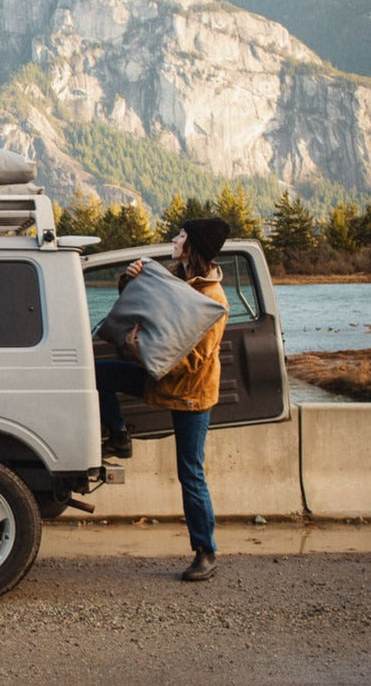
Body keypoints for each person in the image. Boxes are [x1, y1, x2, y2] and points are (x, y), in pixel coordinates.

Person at [95, 217, 231, 582]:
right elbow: (143, 307)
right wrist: (130, 279)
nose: (174, 238)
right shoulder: (171, 275)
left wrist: (137, 350)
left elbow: (192, 360)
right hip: (158, 377)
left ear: (194, 246)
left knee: (190, 472)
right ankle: (120, 436)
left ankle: (206, 552)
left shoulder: (213, 300)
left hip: (190, 394)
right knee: (99, 373)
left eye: (182, 235)